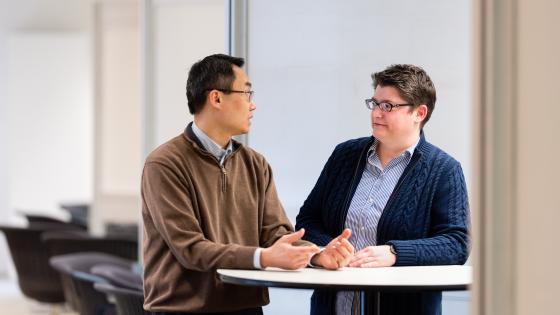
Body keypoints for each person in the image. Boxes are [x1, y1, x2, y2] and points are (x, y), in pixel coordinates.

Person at [141, 54, 353, 315]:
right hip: (183, 310)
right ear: (216, 98)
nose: (252, 105)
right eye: (247, 93)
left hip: (246, 307)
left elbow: (275, 234)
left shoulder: (255, 164)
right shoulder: (164, 164)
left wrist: (316, 255)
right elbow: (190, 249)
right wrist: (263, 258)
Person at [296, 64, 470, 315]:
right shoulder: (345, 155)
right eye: (374, 103)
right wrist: (325, 250)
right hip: (334, 306)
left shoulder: (444, 169)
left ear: (419, 112)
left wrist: (395, 253)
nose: (376, 113)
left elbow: (456, 243)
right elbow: (307, 220)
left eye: (388, 106)